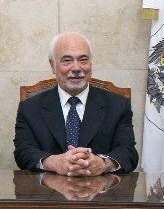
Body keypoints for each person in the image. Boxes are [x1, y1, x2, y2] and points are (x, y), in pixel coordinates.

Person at [13, 33, 138, 175]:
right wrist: (54, 162)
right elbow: (23, 152)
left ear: (91, 64)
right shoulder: (30, 108)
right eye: (67, 60)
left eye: (83, 60)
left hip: (102, 193)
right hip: (48, 193)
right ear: (53, 65)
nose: (76, 68)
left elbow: (128, 153)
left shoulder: (118, 105)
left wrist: (103, 164)